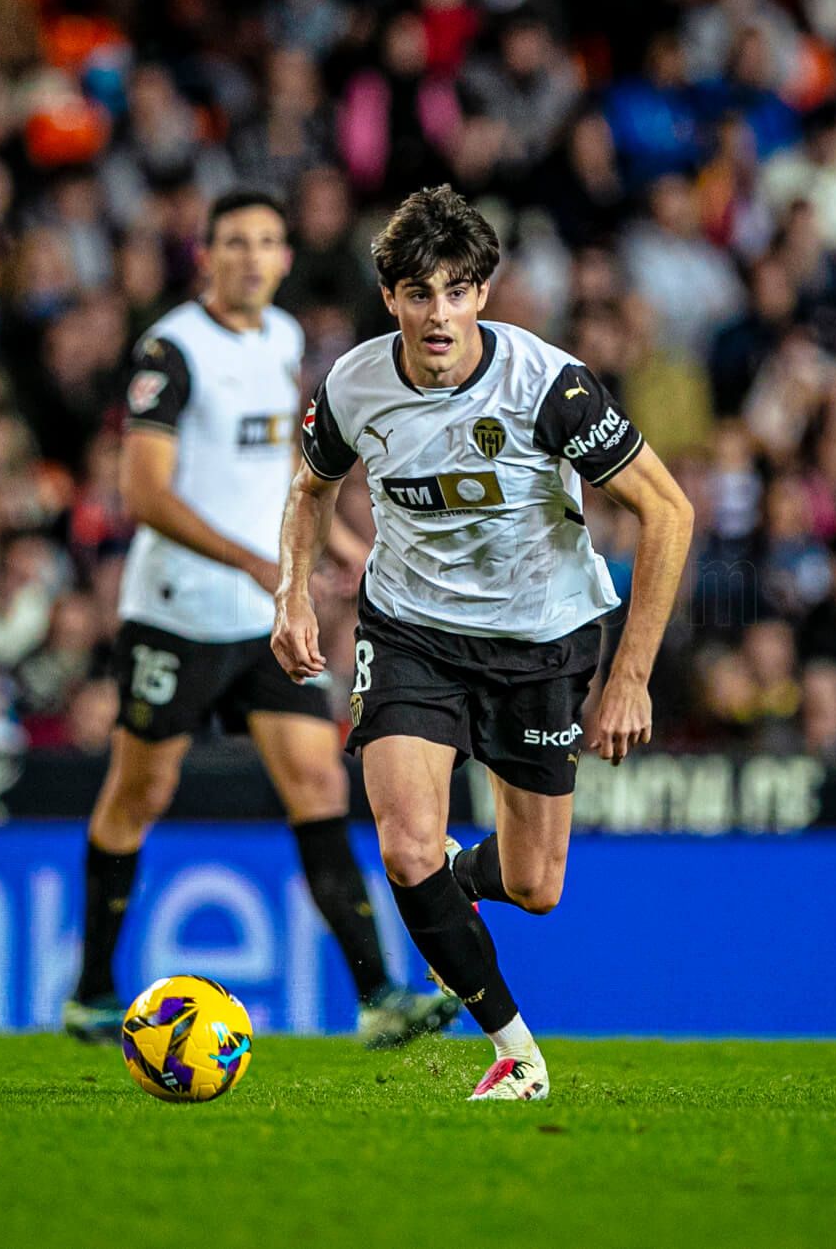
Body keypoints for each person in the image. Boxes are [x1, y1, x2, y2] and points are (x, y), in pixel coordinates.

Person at [272, 186, 695, 1100]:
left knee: (537, 884)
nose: (438, 314)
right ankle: (515, 1050)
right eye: (419, 293)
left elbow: (669, 511)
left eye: (457, 291)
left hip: (543, 643)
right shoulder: (351, 385)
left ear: (483, 296)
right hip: (412, 633)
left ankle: (455, 887)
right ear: (390, 297)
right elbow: (310, 488)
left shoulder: (549, 386)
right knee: (403, 843)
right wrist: (293, 595)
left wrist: (631, 679)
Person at [63, 191, 461, 1050]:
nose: (253, 257)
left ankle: (379, 995)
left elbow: (288, 459)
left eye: (268, 242)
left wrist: (345, 541)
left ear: (285, 259)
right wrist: (252, 559)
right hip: (173, 614)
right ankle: (92, 989)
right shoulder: (172, 350)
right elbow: (143, 493)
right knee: (140, 794)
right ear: (205, 255)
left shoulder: (281, 339)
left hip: (261, 624)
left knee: (319, 785)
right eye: (235, 242)